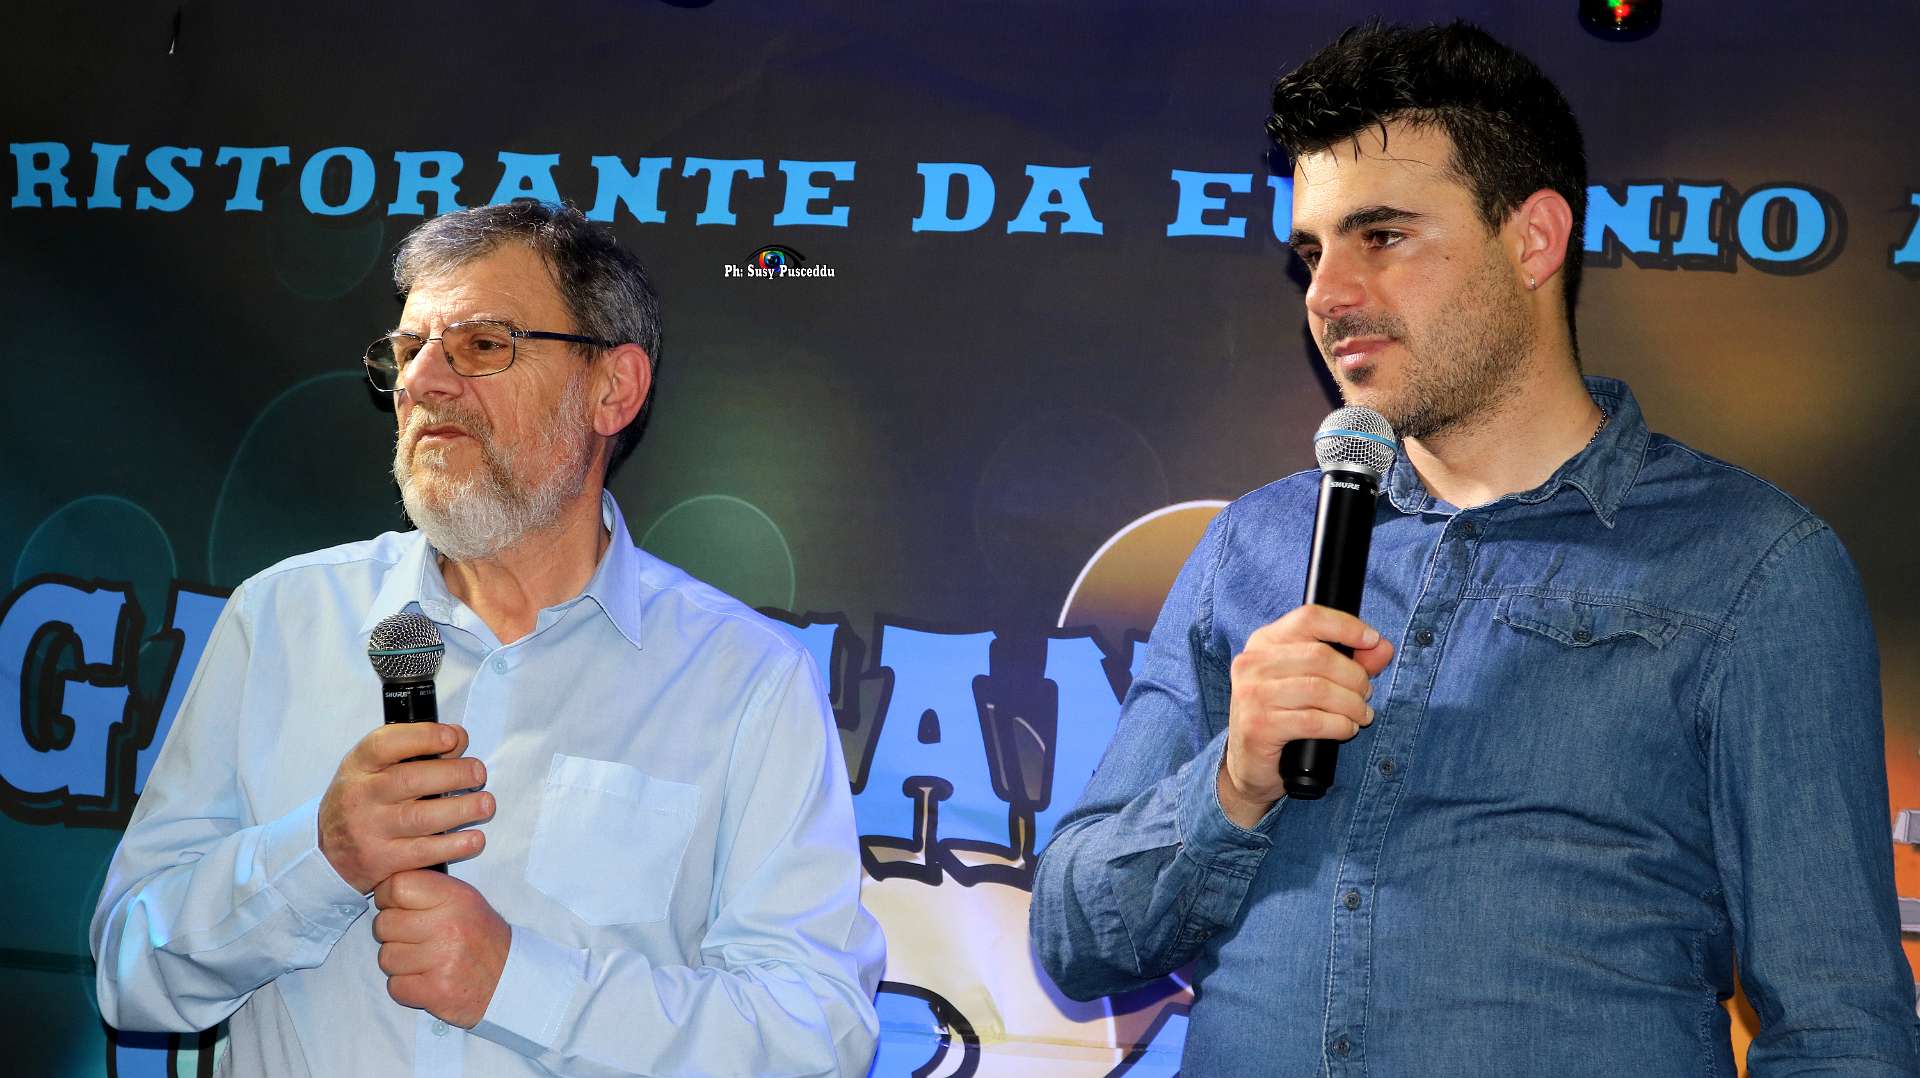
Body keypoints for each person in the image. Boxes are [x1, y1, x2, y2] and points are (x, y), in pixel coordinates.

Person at [1030, 20, 1918, 1077]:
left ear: (1533, 239)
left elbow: (1840, 1030)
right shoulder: (1254, 547)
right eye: (1311, 252)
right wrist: (1230, 782)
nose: (1326, 294)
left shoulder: (1751, 565)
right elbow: (1073, 937)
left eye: (1382, 236)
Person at [91, 201, 885, 1076]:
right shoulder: (280, 620)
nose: (423, 382)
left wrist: (520, 985)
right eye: (408, 350)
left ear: (612, 390)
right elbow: (131, 977)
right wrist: (319, 858)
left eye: (481, 345)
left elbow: (815, 1039)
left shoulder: (742, 680)